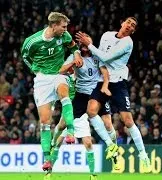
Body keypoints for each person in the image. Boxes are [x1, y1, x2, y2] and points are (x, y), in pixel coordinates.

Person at [75, 17, 152, 172]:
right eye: (128, 22)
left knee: (127, 121)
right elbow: (100, 61)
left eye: (133, 26)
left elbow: (106, 57)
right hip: (103, 81)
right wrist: (104, 81)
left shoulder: (128, 42)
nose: (130, 25)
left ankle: (143, 156)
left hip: (118, 84)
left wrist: (89, 44)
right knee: (91, 111)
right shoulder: (106, 36)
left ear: (133, 31)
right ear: (122, 23)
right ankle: (111, 146)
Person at [47, 40, 119, 180]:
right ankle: (51, 146)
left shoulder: (97, 56)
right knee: (62, 125)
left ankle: (113, 152)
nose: (85, 45)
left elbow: (106, 72)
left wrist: (105, 84)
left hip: (96, 94)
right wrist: (74, 63)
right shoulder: (75, 56)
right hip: (81, 96)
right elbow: (60, 70)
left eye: (87, 42)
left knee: (108, 124)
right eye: (82, 43)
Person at [21, 12, 83, 171]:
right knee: (44, 122)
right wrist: (35, 70)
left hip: (58, 74)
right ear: (53, 25)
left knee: (64, 92)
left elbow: (73, 46)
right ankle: (47, 159)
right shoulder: (32, 42)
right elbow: (25, 57)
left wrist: (76, 53)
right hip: (42, 80)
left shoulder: (64, 35)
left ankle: (71, 132)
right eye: (63, 26)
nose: (65, 29)